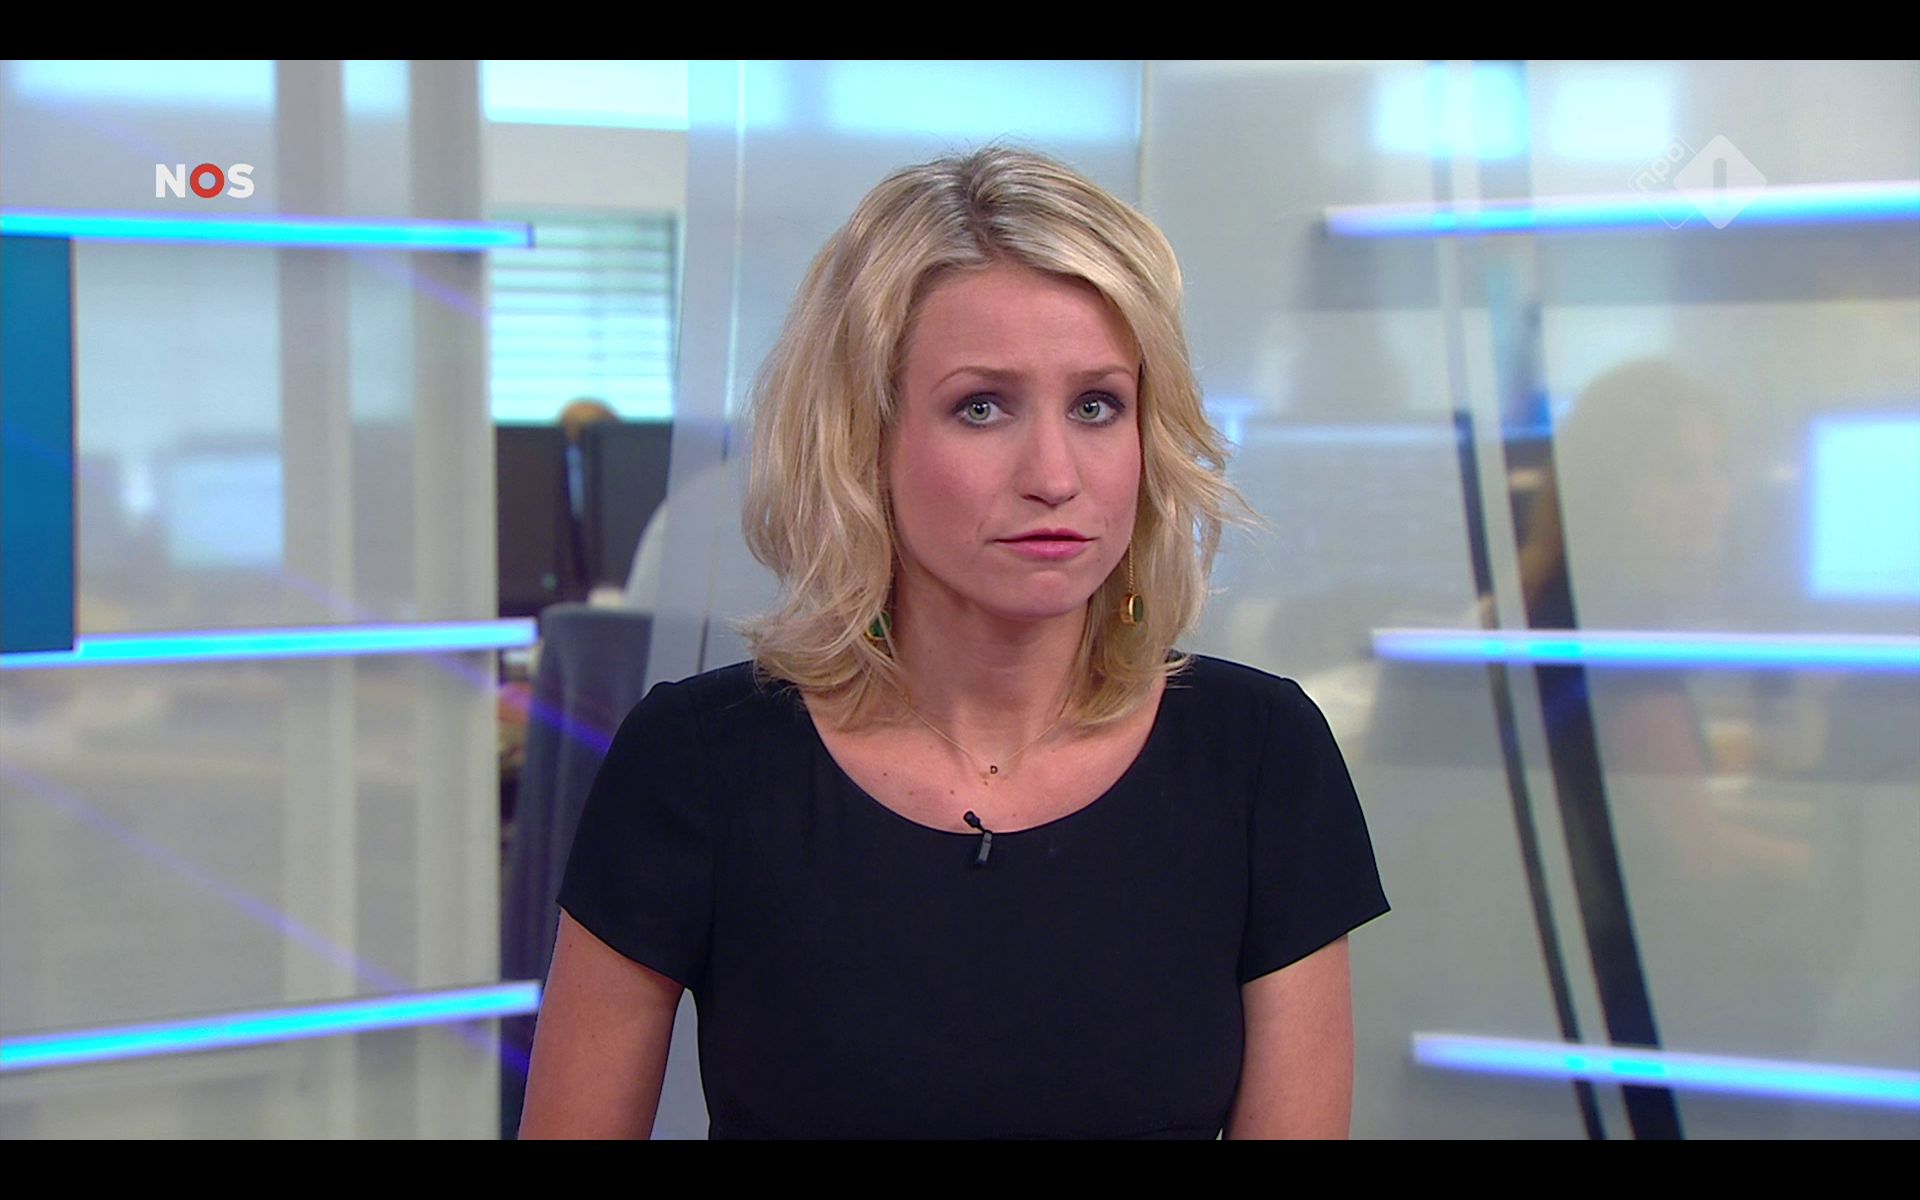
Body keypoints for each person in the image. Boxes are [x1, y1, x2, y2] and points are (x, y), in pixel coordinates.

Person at [520, 147, 1389, 1139]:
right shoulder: (700, 763)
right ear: (863, 441)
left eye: (1097, 405)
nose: (1054, 475)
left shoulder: (1260, 755)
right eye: (982, 407)